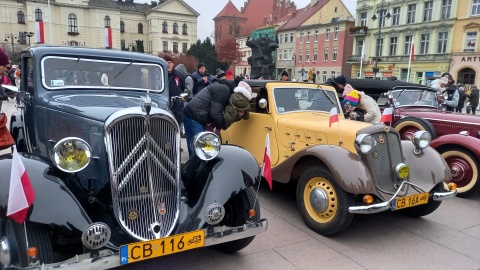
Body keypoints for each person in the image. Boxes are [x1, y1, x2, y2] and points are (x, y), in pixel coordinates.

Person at [183, 80, 252, 157]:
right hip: (193, 116)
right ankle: (195, 167)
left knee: (204, 150)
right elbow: (215, 113)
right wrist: (224, 125)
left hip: (199, 117)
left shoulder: (227, 92)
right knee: (198, 150)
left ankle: (200, 166)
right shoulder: (224, 91)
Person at [175, 63, 194, 138]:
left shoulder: (188, 78)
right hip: (184, 99)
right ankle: (181, 131)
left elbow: (188, 89)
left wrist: (179, 91)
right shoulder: (183, 78)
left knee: (184, 117)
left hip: (187, 100)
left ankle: (185, 131)